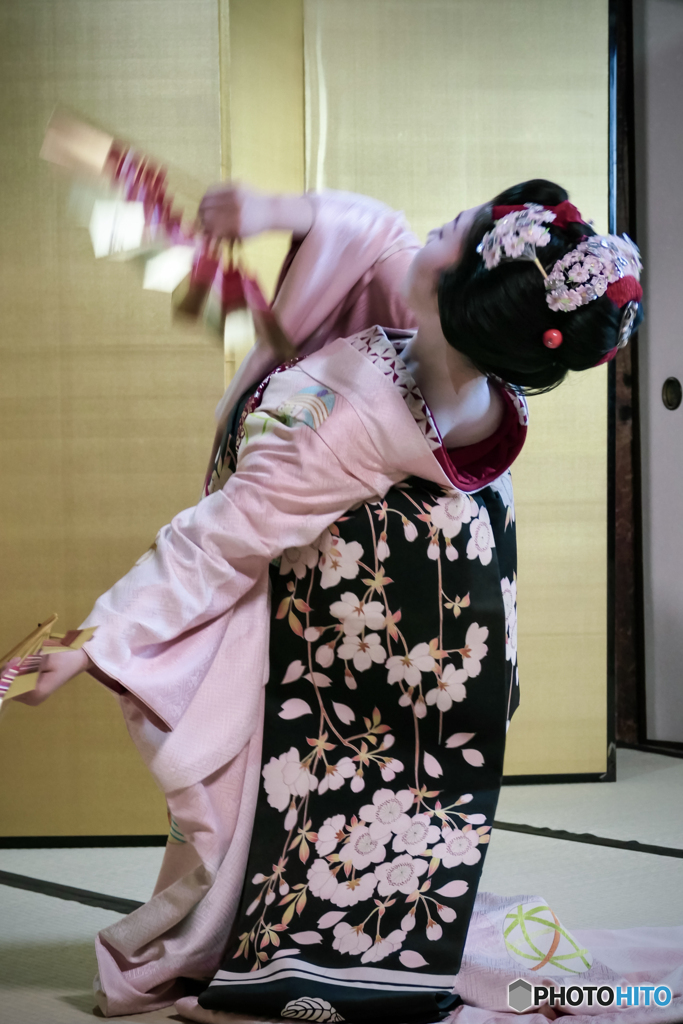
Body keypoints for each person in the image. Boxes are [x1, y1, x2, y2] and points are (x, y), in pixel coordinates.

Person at [12, 180, 645, 1022]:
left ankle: (308, 949)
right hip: (437, 624)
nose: (423, 233)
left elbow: (220, 537)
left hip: (357, 624)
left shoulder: (344, 419)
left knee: (297, 785)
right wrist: (276, 214)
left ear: (451, 299)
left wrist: (99, 640)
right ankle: (359, 924)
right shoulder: (465, 357)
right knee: (390, 793)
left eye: (447, 237)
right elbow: (377, 233)